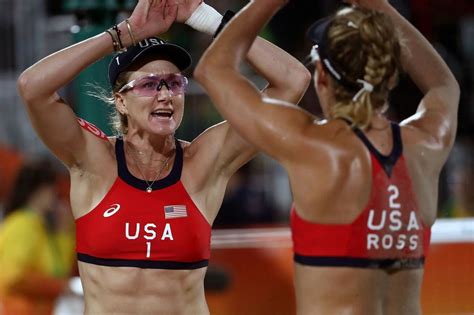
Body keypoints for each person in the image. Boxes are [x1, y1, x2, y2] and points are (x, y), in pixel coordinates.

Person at [17, 0, 309, 313]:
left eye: (173, 83)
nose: (165, 94)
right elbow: (32, 86)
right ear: (121, 101)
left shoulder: (204, 162)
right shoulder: (94, 160)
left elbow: (293, 80)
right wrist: (123, 35)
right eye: (148, 84)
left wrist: (205, 18)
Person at [195, 0, 460, 313]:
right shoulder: (427, 144)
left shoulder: (311, 146)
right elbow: (443, 84)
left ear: (320, 75)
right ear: (390, 76)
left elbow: (213, 69)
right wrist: (377, 5)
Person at [0, 159, 75, 315]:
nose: (56, 197)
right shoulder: (22, 224)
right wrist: (60, 287)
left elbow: (59, 270)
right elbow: (13, 277)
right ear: (41, 190)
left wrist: (64, 232)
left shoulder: (42, 228)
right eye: (53, 190)